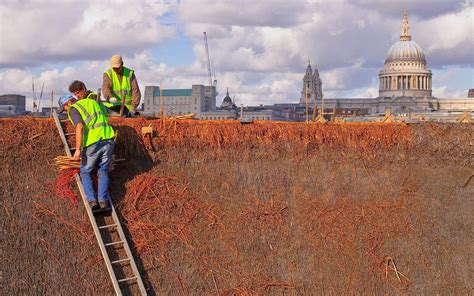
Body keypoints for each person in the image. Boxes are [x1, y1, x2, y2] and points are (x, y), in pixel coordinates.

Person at [58, 80, 115, 211]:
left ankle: (92, 201)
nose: (66, 112)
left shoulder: (74, 108)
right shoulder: (93, 102)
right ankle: (103, 201)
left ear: (68, 103)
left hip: (93, 142)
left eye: (64, 109)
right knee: (103, 171)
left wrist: (77, 150)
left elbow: (79, 126)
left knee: (85, 171)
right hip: (109, 139)